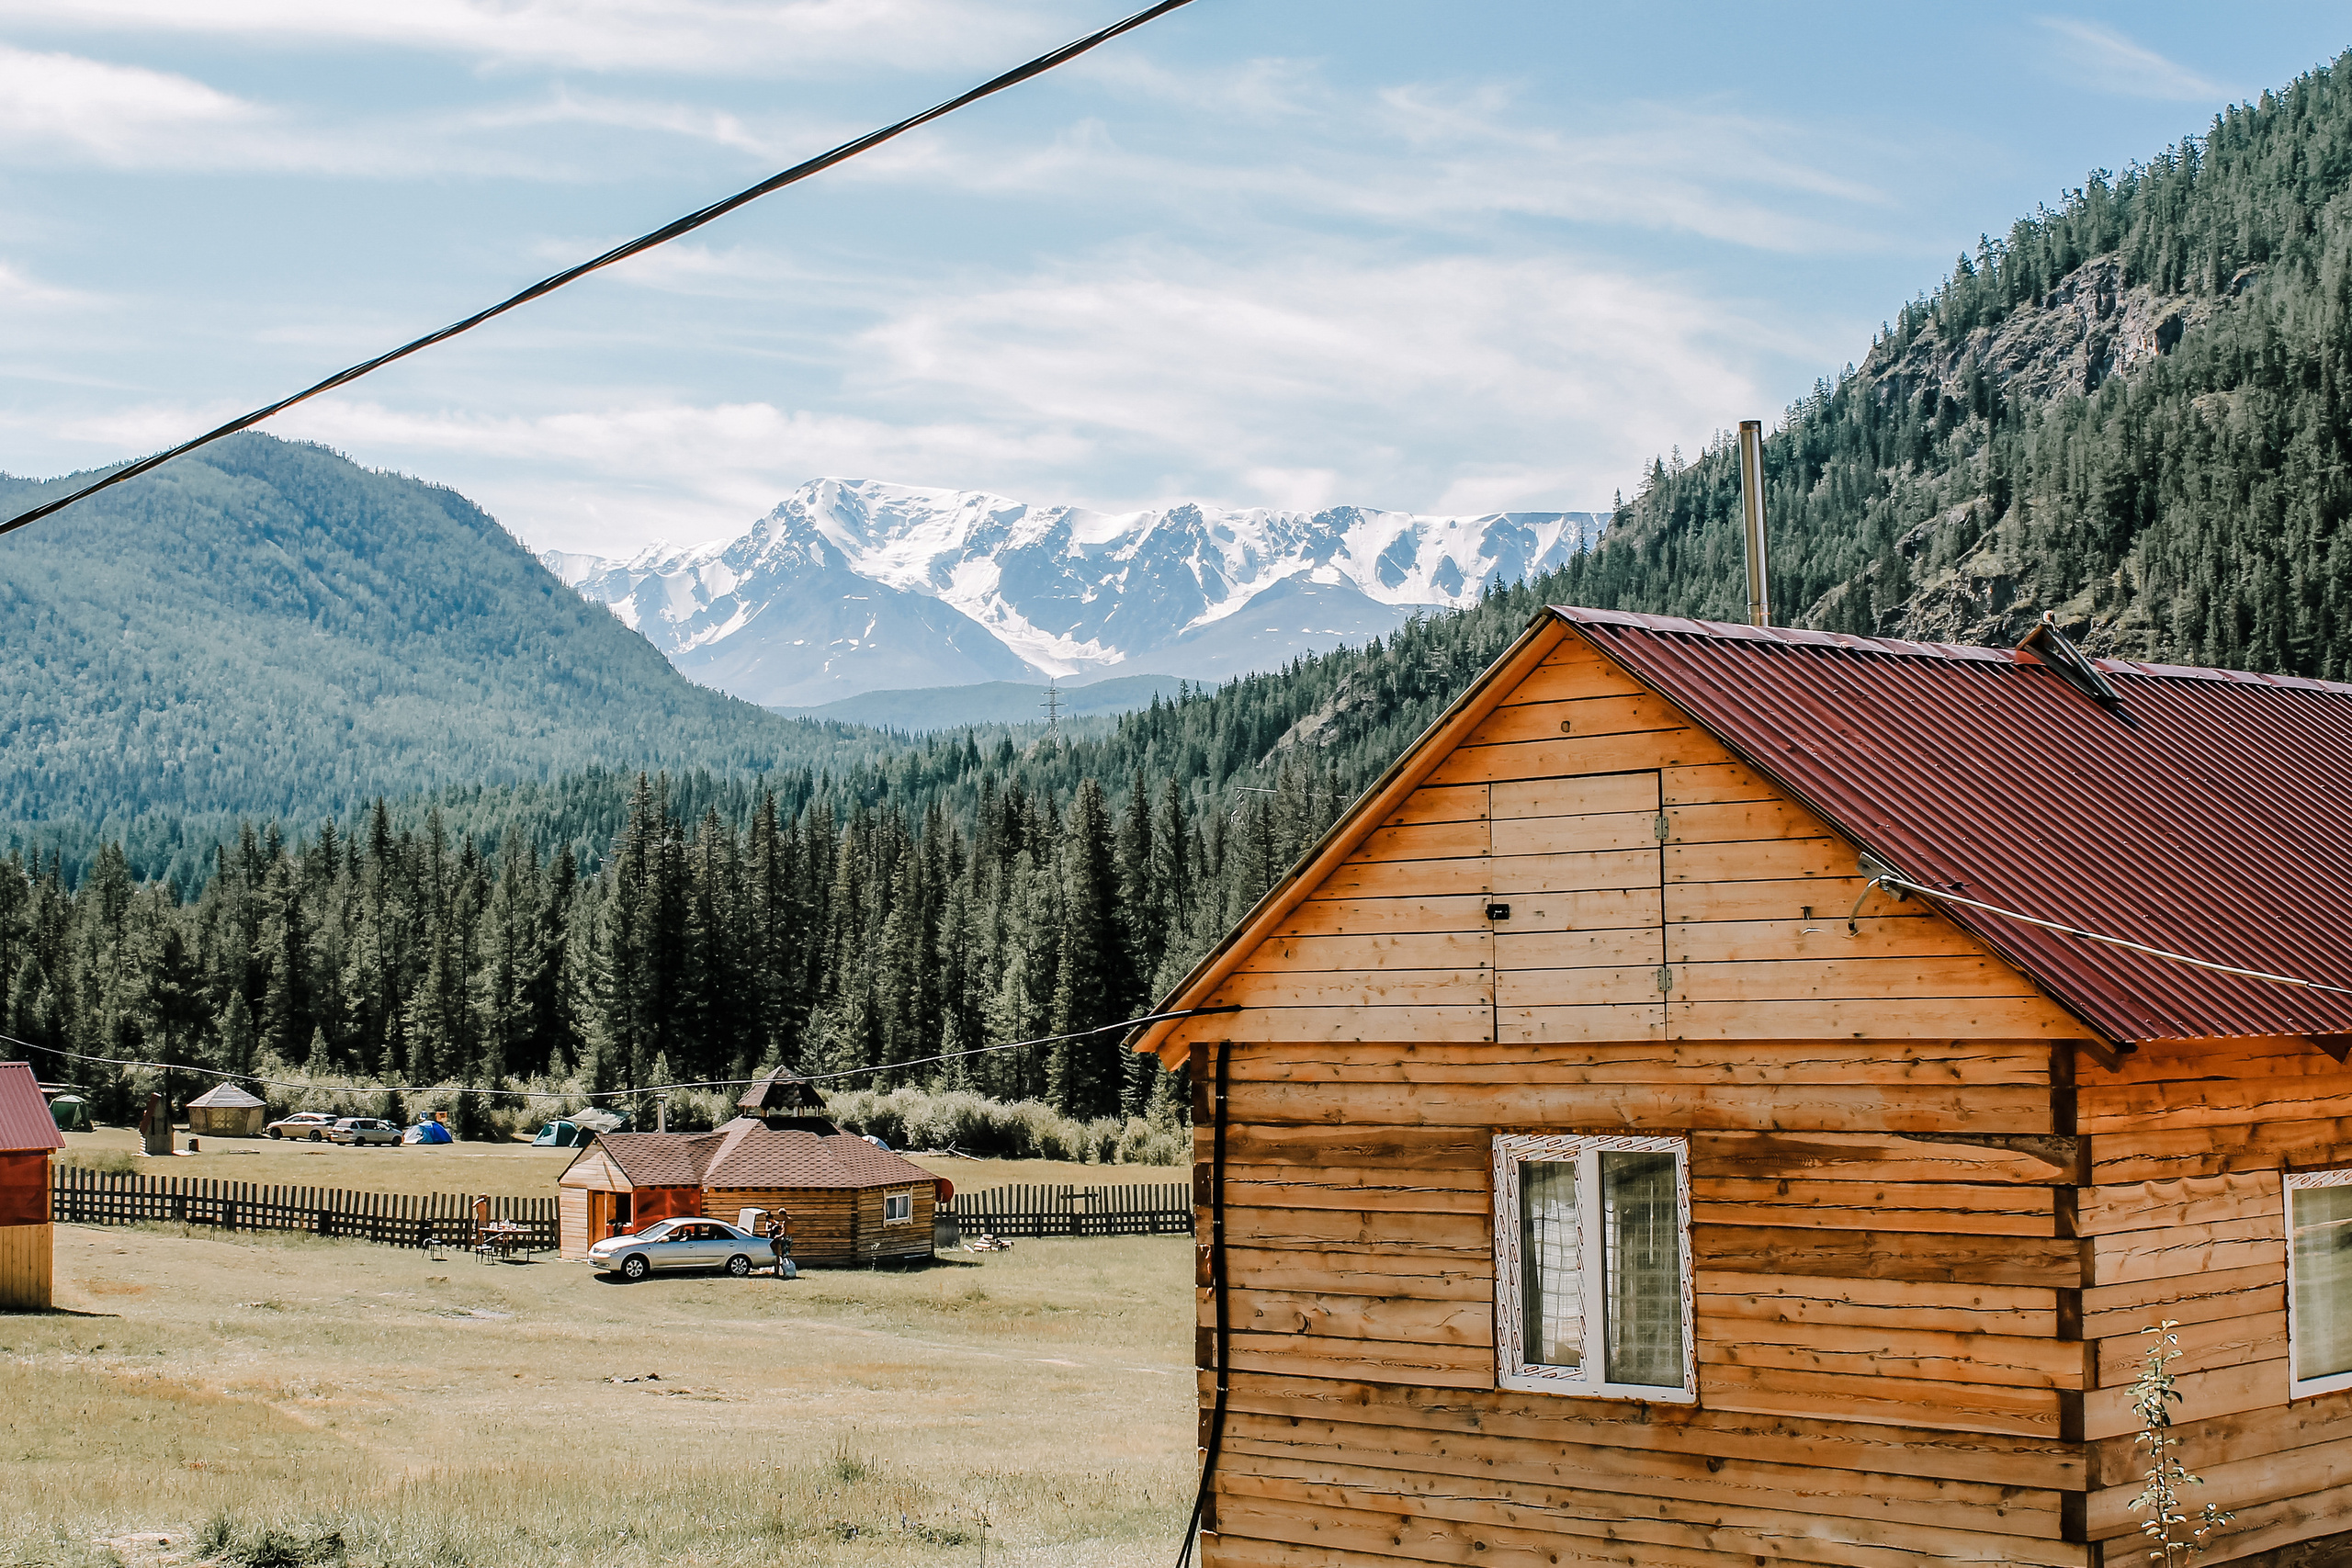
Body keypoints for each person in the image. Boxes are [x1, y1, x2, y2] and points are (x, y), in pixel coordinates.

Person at [764, 1214, 793, 1279]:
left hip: (776, 1240)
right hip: (770, 1240)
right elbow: (766, 1230)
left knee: (778, 1255)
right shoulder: (768, 1223)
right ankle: (775, 1270)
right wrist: (771, 1229)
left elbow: (782, 1231)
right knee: (773, 1255)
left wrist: (777, 1231)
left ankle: (778, 1270)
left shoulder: (779, 1223)